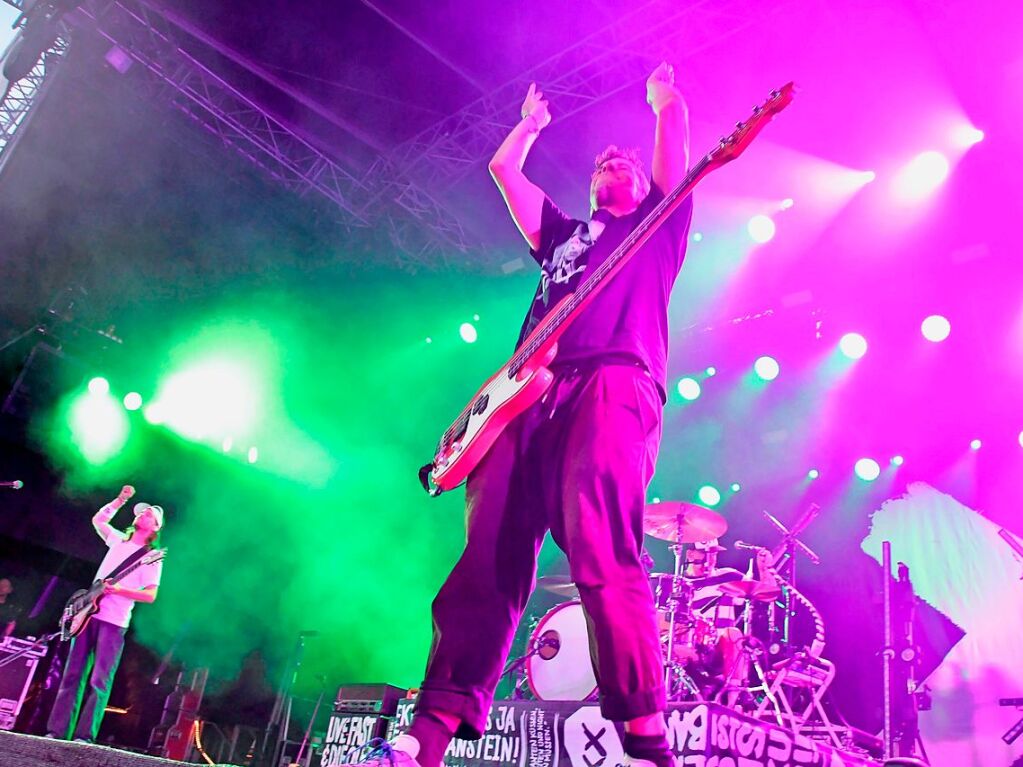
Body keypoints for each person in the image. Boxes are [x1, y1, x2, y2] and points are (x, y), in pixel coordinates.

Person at [363, 62, 693, 767]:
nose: (614, 163)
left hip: (612, 385)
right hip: (526, 395)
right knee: (487, 556)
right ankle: (422, 739)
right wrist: (529, 127)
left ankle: (643, 732)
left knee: (601, 546)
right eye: (604, 160)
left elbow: (675, 166)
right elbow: (502, 170)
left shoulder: (655, 234)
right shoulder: (564, 237)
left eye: (626, 163)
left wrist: (667, 106)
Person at [46, 485, 164, 743]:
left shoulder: (152, 557)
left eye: (148, 515)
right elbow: (98, 520)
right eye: (140, 513)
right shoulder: (118, 540)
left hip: (114, 622)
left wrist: (121, 589)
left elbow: (151, 595)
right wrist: (120, 500)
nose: (141, 515)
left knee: (99, 681)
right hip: (87, 615)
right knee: (72, 674)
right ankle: (56, 732)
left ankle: (84, 737)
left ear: (155, 528)